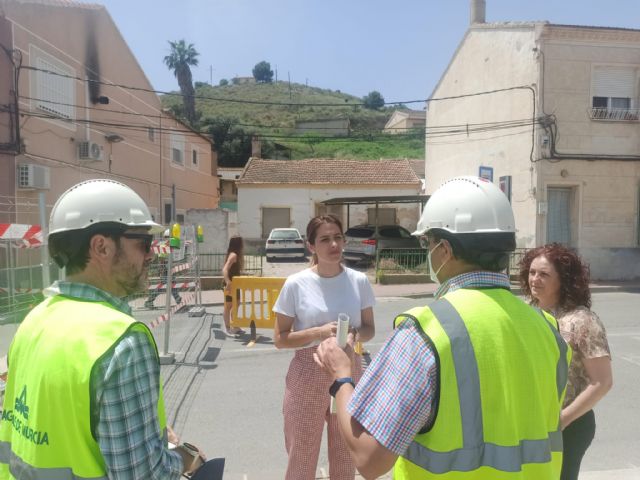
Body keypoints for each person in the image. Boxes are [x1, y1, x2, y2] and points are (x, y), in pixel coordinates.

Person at [314, 176, 572, 480]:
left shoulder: (426, 331)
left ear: (445, 250)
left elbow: (369, 459)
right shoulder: (548, 329)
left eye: (427, 243)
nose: (427, 252)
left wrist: (341, 377)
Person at [0, 179, 206, 479]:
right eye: (143, 244)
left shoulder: (35, 320)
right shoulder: (123, 341)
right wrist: (186, 459)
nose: (152, 255)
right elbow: (142, 475)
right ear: (101, 246)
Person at [273, 214, 376, 480]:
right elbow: (280, 338)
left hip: (348, 368)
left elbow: (369, 328)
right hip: (309, 368)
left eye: (338, 238)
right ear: (311, 246)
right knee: (301, 455)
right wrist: (318, 332)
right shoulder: (296, 283)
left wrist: (354, 334)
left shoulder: (358, 281)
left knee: (345, 454)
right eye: (325, 239)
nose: (334, 245)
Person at [519, 243, 613, 480]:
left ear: (564, 280)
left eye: (544, 274)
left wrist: (563, 419)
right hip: (531, 421)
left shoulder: (582, 321)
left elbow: (602, 382)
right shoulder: (526, 312)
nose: (535, 280)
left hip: (569, 425)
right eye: (531, 272)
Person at [145, 230, 182, 308]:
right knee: (164, 287)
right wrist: (161, 270)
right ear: (167, 237)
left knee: (170, 285)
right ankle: (149, 301)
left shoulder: (169, 246)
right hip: (165, 269)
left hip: (169, 269)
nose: (170, 239)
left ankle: (178, 300)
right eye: (170, 237)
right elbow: (161, 259)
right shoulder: (163, 246)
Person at [222, 235, 245, 336]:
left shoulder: (233, 254)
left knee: (236, 304)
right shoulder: (233, 255)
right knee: (229, 306)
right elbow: (225, 269)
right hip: (231, 284)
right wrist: (228, 282)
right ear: (238, 244)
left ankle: (235, 326)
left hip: (235, 284)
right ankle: (228, 328)